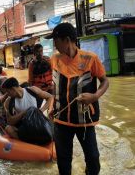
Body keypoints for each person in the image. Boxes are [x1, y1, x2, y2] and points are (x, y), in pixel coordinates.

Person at [45, 23, 109, 175]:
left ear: (67, 40)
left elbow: (105, 81)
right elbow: (55, 86)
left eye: (56, 41)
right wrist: (52, 104)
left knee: (93, 158)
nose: (54, 45)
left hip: (85, 120)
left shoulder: (90, 59)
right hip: (61, 120)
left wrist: (94, 96)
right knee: (63, 160)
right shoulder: (54, 60)